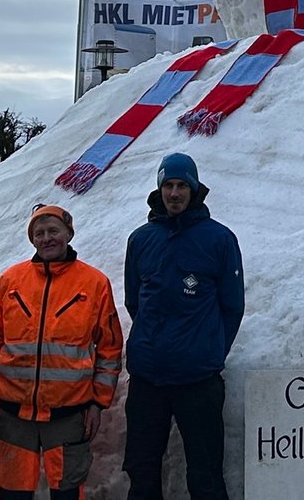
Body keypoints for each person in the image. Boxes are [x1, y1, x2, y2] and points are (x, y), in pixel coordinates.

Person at [123, 153, 245, 500]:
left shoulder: (219, 239)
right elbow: (135, 301)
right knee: (142, 472)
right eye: (168, 185)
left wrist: (209, 351)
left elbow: (232, 306)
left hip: (198, 380)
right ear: (159, 189)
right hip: (148, 379)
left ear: (194, 189)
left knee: (206, 477)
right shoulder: (141, 239)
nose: (174, 193)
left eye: (181, 186)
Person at [0, 204, 124, 500]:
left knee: (66, 493)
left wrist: (98, 402)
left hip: (68, 414)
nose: (46, 238)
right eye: (39, 233)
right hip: (14, 413)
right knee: (12, 493)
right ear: (32, 239)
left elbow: (110, 347)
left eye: (53, 231)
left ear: (69, 234)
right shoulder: (10, 281)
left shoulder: (94, 283)